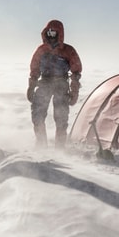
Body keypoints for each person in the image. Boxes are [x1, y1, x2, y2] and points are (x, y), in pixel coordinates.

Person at [27, 19, 82, 148]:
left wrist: (74, 92)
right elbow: (34, 69)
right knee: (37, 115)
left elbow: (76, 72)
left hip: (61, 85)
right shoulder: (41, 50)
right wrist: (31, 86)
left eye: (54, 33)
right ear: (45, 33)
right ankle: (41, 145)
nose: (51, 35)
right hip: (44, 83)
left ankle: (60, 148)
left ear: (60, 33)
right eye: (49, 32)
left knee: (61, 118)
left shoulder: (68, 50)